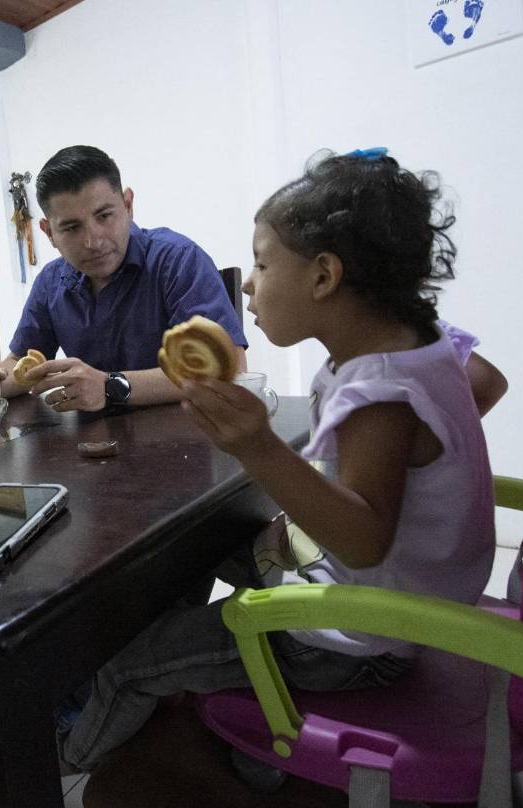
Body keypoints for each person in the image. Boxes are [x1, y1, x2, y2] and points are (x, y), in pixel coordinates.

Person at [59, 150, 497, 772]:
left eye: (262, 263)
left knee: (130, 666)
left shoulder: (380, 394)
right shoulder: (425, 341)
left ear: (323, 277)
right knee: (200, 548)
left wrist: (257, 446)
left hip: (361, 639)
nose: (246, 281)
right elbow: (487, 383)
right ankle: (198, 670)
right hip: (413, 597)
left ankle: (65, 760)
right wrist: (428, 476)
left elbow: (367, 540)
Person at [0, 145, 247, 410]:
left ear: (128, 205)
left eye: (104, 216)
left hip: (184, 444)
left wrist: (109, 386)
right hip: (90, 450)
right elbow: (21, 364)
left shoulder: (179, 260)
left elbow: (230, 368)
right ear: (48, 232)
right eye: (71, 228)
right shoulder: (50, 282)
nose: (93, 242)